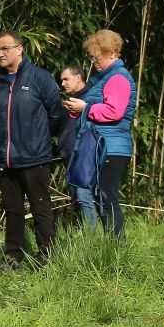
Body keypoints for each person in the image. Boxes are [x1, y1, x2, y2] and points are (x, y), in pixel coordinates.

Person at [0, 30, 64, 270]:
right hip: (6, 157)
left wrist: (38, 138)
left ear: (19, 49)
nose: (0, 53)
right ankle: (13, 258)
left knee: (40, 207)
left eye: (5, 49)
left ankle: (48, 258)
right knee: (12, 211)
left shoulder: (40, 78)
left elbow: (56, 113)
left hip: (34, 157)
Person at [62, 31, 137, 238]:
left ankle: (116, 248)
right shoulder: (103, 78)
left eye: (96, 57)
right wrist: (78, 111)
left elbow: (114, 112)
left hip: (111, 146)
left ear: (112, 53)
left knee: (107, 197)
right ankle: (108, 247)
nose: (93, 61)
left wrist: (85, 107)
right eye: (91, 57)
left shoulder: (118, 78)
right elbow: (97, 110)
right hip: (101, 144)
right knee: (99, 196)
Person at [57, 65, 97, 227]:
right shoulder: (67, 102)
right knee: (77, 198)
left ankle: (93, 239)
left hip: (86, 154)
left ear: (78, 77)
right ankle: (87, 235)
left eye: (66, 79)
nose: (63, 83)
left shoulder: (91, 98)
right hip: (69, 155)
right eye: (61, 80)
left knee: (84, 194)